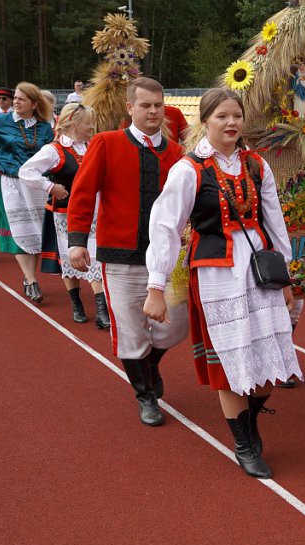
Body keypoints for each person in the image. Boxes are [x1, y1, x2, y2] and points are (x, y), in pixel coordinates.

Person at [145, 87, 300, 479]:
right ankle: (243, 442)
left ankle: (251, 424)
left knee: (270, 359)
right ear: (205, 121)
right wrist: (156, 287)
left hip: (260, 272)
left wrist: (287, 277)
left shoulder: (255, 165)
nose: (231, 123)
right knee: (231, 358)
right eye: (222, 117)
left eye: (236, 116)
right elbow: (165, 228)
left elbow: (275, 222)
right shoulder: (188, 169)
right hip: (216, 273)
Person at [67, 77, 188, 427]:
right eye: (146, 105)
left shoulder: (177, 154)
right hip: (119, 256)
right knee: (132, 330)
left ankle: (150, 367)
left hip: (168, 261)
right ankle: (145, 394)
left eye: (158, 105)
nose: (153, 111)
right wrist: (76, 240)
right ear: (130, 107)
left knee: (175, 326)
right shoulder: (106, 143)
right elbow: (83, 192)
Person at [19, 102, 110, 329]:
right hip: (66, 214)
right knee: (71, 257)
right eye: (88, 123)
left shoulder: (93, 146)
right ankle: (76, 302)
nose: (92, 127)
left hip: (96, 211)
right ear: (74, 123)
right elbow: (26, 171)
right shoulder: (54, 150)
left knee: (97, 256)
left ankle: (101, 310)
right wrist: (50, 187)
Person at [0, 82, 55, 302]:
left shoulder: (44, 127)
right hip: (9, 183)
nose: (16, 102)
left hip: (35, 185)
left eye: (21, 99)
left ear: (34, 104)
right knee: (20, 230)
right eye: (15, 98)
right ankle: (32, 280)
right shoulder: (2, 120)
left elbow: (52, 154)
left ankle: (29, 278)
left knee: (35, 233)